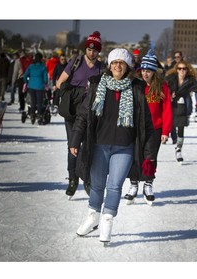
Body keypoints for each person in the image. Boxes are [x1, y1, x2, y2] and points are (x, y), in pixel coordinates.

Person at [69, 48, 156, 244]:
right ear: (109, 65)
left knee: (115, 186)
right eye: (114, 62)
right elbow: (83, 116)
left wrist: (149, 154)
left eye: (122, 63)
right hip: (99, 144)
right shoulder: (96, 85)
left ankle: (107, 220)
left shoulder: (136, 89)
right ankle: (93, 218)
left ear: (127, 67)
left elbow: (147, 125)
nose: (118, 65)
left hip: (124, 147)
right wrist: (75, 139)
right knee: (97, 185)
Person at [56, 31, 103, 199]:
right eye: (89, 49)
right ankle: (72, 178)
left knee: (88, 147)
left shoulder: (101, 68)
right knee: (72, 146)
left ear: (99, 51)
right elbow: (59, 82)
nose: (92, 53)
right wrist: (75, 91)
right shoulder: (75, 62)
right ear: (85, 49)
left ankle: (87, 179)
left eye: (95, 50)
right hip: (72, 112)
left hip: (90, 114)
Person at [123, 49, 173, 205]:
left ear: (154, 72)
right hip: (136, 127)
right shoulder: (135, 85)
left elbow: (167, 110)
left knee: (150, 157)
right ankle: (133, 184)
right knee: (135, 156)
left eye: (148, 71)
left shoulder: (162, 87)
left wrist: (166, 131)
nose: (145, 74)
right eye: (143, 70)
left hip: (154, 128)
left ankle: (148, 184)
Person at [165, 59, 197, 163]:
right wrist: (169, 94)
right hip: (171, 105)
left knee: (181, 128)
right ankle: (168, 137)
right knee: (170, 124)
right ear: (176, 70)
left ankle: (179, 149)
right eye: (179, 68)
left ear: (187, 70)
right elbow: (163, 89)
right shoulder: (170, 79)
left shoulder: (190, 81)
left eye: (184, 69)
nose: (181, 71)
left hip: (183, 106)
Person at [23, 52, 48, 125]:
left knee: (33, 101)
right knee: (40, 102)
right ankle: (39, 116)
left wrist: (27, 82)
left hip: (31, 86)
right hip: (40, 86)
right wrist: (44, 83)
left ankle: (32, 115)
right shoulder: (43, 67)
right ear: (41, 59)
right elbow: (46, 78)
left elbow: (25, 76)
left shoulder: (31, 66)